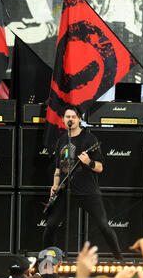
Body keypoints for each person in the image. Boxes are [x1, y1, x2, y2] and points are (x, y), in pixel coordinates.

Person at [42, 105, 123, 260]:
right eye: (67, 117)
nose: (70, 119)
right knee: (51, 226)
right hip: (66, 191)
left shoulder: (89, 139)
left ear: (79, 118)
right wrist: (55, 185)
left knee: (103, 225)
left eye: (73, 116)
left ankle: (119, 258)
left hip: (88, 191)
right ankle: (47, 259)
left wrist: (88, 162)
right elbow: (58, 169)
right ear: (63, 119)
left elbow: (100, 168)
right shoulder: (61, 140)